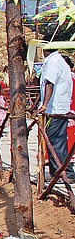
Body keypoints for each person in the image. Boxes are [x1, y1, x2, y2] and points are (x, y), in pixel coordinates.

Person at [36, 50, 75, 180]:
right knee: (54, 141)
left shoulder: (53, 62)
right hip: (57, 108)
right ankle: (56, 172)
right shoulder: (57, 61)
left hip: (55, 109)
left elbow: (49, 84)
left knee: (55, 142)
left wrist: (44, 105)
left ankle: (66, 172)